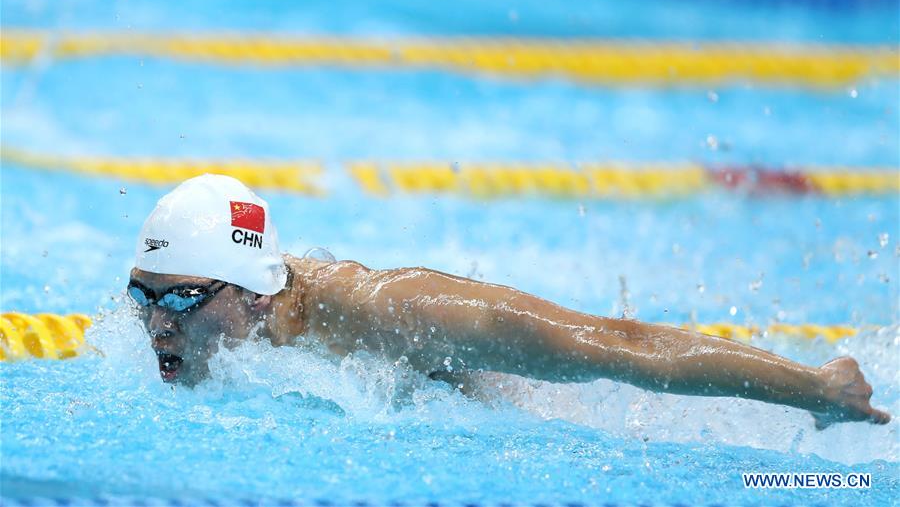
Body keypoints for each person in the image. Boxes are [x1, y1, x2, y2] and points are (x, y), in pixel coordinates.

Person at [128, 174, 890, 430]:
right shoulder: (211, 321)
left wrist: (815, 388)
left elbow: (619, 342)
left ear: (258, 298)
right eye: (146, 298)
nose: (160, 324)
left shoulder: (397, 313)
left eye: (186, 299)